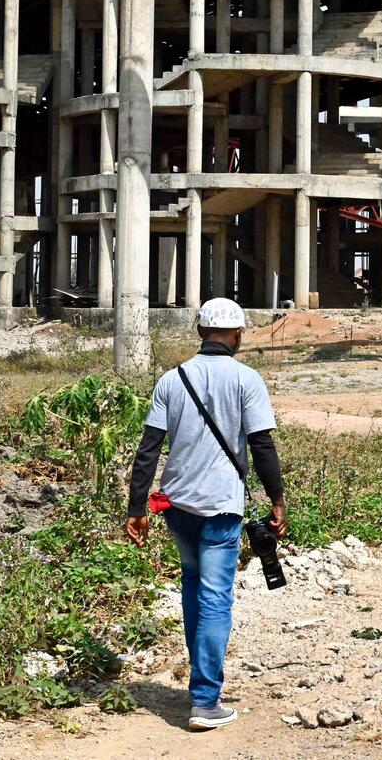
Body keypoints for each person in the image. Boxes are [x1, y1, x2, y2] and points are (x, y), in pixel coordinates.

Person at [125, 298, 287, 732]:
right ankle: (204, 701)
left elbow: (148, 449)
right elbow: (262, 445)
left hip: (177, 507)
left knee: (193, 589)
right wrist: (277, 499)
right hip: (221, 507)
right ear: (237, 335)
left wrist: (136, 508)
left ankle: (200, 689)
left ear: (199, 332)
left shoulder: (171, 380)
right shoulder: (246, 379)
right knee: (215, 597)